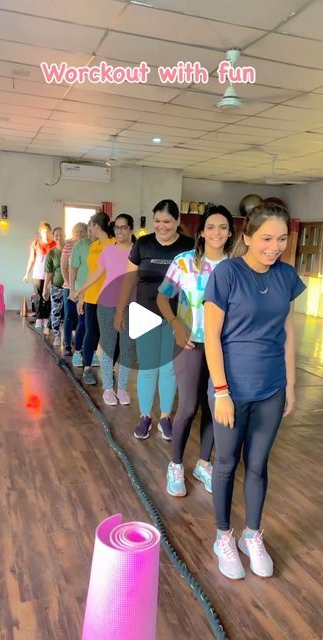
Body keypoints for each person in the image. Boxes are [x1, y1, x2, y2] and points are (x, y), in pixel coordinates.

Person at [203, 204, 305, 580]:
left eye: (281, 239)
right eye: (266, 238)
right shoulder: (227, 274)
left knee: (259, 465)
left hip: (271, 388)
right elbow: (211, 336)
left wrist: (291, 387)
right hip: (232, 388)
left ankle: (251, 535)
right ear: (246, 237)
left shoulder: (287, 276)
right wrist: (222, 391)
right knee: (227, 464)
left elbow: (289, 333)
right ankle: (223, 537)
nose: (274, 247)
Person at [157, 206, 235, 497]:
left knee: (214, 409)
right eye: (211, 227)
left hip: (224, 347)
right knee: (188, 406)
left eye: (223, 227)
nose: (217, 232)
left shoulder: (235, 266)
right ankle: (175, 465)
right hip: (189, 343)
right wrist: (176, 325)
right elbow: (163, 297)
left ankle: (204, 463)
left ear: (230, 233)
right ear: (201, 231)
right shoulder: (184, 261)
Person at [114, 199, 194, 440]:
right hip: (144, 313)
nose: (162, 226)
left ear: (177, 221)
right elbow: (128, 279)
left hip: (176, 316)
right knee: (148, 368)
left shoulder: (189, 246)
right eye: (157, 221)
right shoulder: (143, 244)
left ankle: (166, 417)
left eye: (167, 221)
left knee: (169, 369)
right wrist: (120, 310)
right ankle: (145, 416)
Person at [73, 214, 135, 405]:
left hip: (130, 306)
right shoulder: (108, 249)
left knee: (126, 350)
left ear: (131, 229)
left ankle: (122, 389)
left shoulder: (138, 251)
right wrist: (79, 291)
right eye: (117, 227)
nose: (120, 230)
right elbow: (96, 274)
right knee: (108, 348)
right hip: (107, 304)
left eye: (124, 227)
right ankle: (108, 389)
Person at [75, 212, 115, 385]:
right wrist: (82, 297)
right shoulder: (94, 245)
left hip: (108, 298)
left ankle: (109, 369)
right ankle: (87, 368)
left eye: (90, 226)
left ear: (97, 226)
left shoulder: (114, 244)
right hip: (91, 297)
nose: (89, 229)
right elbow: (92, 273)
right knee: (91, 332)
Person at [61, 222, 87, 356]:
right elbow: (63, 267)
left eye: (82, 231)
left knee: (81, 318)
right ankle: (66, 344)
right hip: (69, 288)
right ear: (73, 233)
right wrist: (71, 288)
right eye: (77, 232)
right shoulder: (69, 245)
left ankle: (80, 344)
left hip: (83, 289)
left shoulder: (89, 245)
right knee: (69, 316)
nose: (80, 234)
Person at [23, 222, 55, 329]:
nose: (45, 234)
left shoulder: (54, 244)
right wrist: (26, 274)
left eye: (47, 231)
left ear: (50, 232)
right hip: (37, 275)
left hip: (50, 275)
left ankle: (46, 318)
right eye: (43, 232)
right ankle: (39, 318)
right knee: (38, 297)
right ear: (41, 232)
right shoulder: (36, 243)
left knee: (47, 297)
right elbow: (32, 259)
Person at [69, 222, 93, 366]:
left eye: (89, 231)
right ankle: (77, 352)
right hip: (82, 290)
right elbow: (72, 269)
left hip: (96, 290)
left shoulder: (102, 245)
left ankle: (91, 352)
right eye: (88, 231)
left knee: (93, 326)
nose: (89, 234)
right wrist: (72, 290)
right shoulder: (80, 245)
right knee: (83, 322)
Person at [43, 227, 65, 346]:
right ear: (53, 236)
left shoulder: (70, 249)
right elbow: (49, 272)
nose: (59, 237)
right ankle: (57, 336)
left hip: (70, 287)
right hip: (56, 287)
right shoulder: (52, 252)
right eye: (56, 235)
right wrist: (45, 287)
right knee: (55, 312)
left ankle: (68, 337)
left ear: (65, 236)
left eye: (61, 235)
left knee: (70, 314)